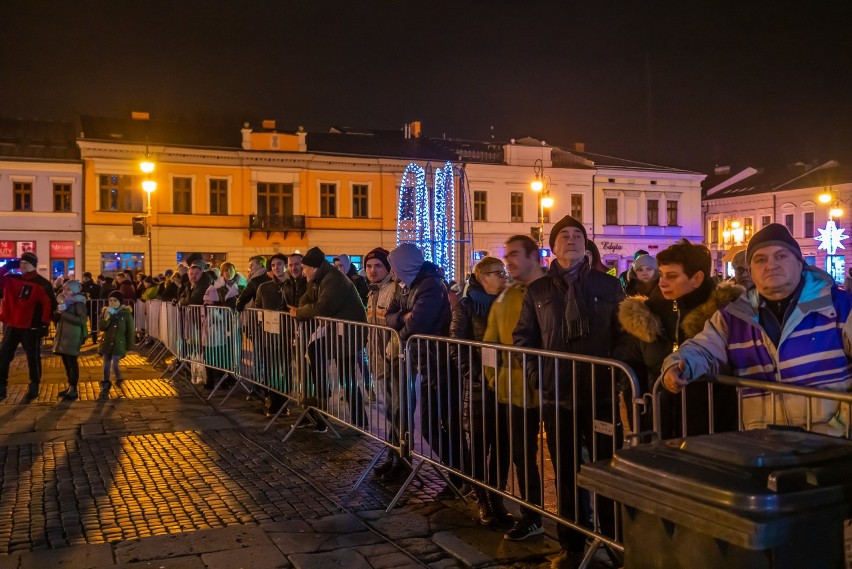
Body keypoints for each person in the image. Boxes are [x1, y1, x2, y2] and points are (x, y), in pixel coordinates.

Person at [662, 224, 852, 437]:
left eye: (781, 256)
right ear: (751, 270)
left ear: (800, 264)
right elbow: (704, 347)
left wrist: (843, 420)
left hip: (830, 442)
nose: (771, 265)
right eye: (760, 260)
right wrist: (679, 365)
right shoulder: (734, 315)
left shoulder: (838, 306)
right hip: (763, 442)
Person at [513, 215, 624, 565]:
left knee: (607, 467)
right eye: (565, 235)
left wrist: (616, 375)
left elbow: (624, 337)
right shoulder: (539, 290)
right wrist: (538, 377)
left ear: (586, 243)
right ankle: (571, 542)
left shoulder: (608, 286)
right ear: (554, 245)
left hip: (599, 392)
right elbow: (524, 338)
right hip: (557, 394)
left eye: (578, 235)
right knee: (565, 469)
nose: (572, 239)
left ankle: (613, 538)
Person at [616, 239, 742, 439]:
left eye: (672, 276)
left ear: (697, 278)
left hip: (710, 431)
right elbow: (631, 366)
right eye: (662, 274)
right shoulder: (646, 315)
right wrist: (639, 415)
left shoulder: (724, 315)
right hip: (657, 427)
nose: (662, 282)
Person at [483, 235, 546, 540]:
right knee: (522, 455)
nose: (508, 260)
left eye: (514, 254)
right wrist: (497, 380)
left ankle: (579, 521)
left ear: (534, 256)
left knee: (564, 458)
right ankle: (532, 515)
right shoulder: (507, 297)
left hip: (550, 389)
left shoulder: (549, 291)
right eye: (506, 255)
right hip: (515, 391)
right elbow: (490, 341)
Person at [385, 244, 454, 492]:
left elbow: (416, 324)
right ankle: (458, 473)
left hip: (438, 363)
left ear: (404, 265)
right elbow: (389, 315)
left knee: (438, 424)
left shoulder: (430, 285)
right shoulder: (405, 286)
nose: (391, 270)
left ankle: (461, 474)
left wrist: (402, 329)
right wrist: (403, 317)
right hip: (422, 361)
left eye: (393, 264)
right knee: (430, 425)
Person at [450, 256, 508, 525]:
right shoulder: (467, 305)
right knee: (480, 448)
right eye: (499, 272)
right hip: (478, 388)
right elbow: (457, 343)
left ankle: (498, 500)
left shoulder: (508, 302)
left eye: (505, 271)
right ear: (483, 278)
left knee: (503, 448)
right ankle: (483, 501)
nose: (504, 276)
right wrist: (474, 374)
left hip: (505, 386)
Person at [292, 247, 368, 431]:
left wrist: (299, 313)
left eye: (305, 268)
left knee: (346, 377)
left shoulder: (333, 279)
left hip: (348, 333)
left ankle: (358, 421)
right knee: (315, 350)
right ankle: (321, 399)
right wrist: (302, 308)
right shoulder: (318, 279)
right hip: (336, 333)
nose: (303, 272)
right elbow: (306, 299)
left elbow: (322, 307)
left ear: (314, 267)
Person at [0, 253, 57, 401]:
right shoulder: (12, 279)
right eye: (21, 262)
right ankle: (1, 386)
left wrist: (44, 324)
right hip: (12, 326)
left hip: (31, 327)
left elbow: (49, 304)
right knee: (3, 356)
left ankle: (34, 386)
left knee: (33, 358)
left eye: (26, 263)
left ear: (34, 265)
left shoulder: (42, 284)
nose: (23, 265)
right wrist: (8, 265)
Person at [53, 280, 88, 401]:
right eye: (64, 289)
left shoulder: (79, 303)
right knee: (66, 363)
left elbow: (82, 321)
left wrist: (64, 314)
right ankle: (70, 387)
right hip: (63, 336)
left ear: (75, 290)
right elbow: (56, 318)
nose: (65, 292)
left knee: (72, 363)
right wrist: (57, 313)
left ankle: (73, 389)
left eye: (68, 289)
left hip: (74, 336)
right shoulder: (63, 302)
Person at [97, 291, 135, 400]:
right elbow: (102, 327)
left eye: (115, 300)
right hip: (107, 343)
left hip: (119, 343)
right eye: (110, 300)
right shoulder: (106, 312)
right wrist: (106, 318)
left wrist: (129, 345)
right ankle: (106, 382)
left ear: (120, 302)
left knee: (115, 364)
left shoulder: (125, 313)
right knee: (106, 364)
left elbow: (130, 330)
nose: (112, 302)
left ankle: (118, 377)